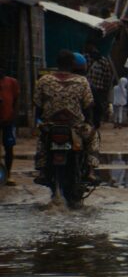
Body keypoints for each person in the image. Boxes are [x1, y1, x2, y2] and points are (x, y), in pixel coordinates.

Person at [33, 50, 99, 184]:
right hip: (75, 126)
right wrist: (90, 123)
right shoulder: (82, 81)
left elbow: (37, 105)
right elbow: (88, 106)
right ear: (73, 64)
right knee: (93, 137)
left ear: (57, 63)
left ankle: (42, 171)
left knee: (42, 140)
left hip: (50, 125)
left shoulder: (44, 80)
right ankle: (91, 171)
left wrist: (40, 121)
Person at [84, 44, 116, 129]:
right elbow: (108, 76)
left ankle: (92, 122)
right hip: (95, 88)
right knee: (95, 106)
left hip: (93, 87)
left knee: (92, 105)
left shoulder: (86, 58)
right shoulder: (102, 60)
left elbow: (108, 76)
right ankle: (93, 122)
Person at [0, 66, 20, 185]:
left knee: (9, 148)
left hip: (8, 121)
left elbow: (16, 100)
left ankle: (8, 175)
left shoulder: (12, 82)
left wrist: (13, 116)